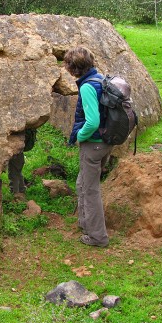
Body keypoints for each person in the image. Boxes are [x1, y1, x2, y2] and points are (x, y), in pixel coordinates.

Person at [65, 46, 111, 247]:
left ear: (74, 68)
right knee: (81, 183)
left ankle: (98, 237)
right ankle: (86, 224)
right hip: (107, 142)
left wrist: (79, 136)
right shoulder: (101, 79)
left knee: (90, 190)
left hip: (93, 144)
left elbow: (92, 121)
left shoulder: (87, 87)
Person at [8, 128, 37, 201]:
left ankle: (15, 193)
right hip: (19, 153)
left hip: (16, 153)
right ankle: (21, 190)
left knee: (13, 173)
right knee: (17, 172)